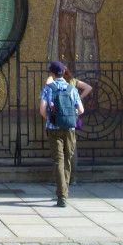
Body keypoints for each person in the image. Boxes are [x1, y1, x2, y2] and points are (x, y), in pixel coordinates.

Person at [39, 60, 87, 206]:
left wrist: (51, 119)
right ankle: (65, 190)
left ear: (52, 74)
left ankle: (61, 196)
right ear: (63, 73)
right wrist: (70, 117)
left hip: (53, 129)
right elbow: (81, 110)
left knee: (58, 160)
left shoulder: (48, 88)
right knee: (67, 159)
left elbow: (42, 110)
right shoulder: (72, 88)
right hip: (69, 129)